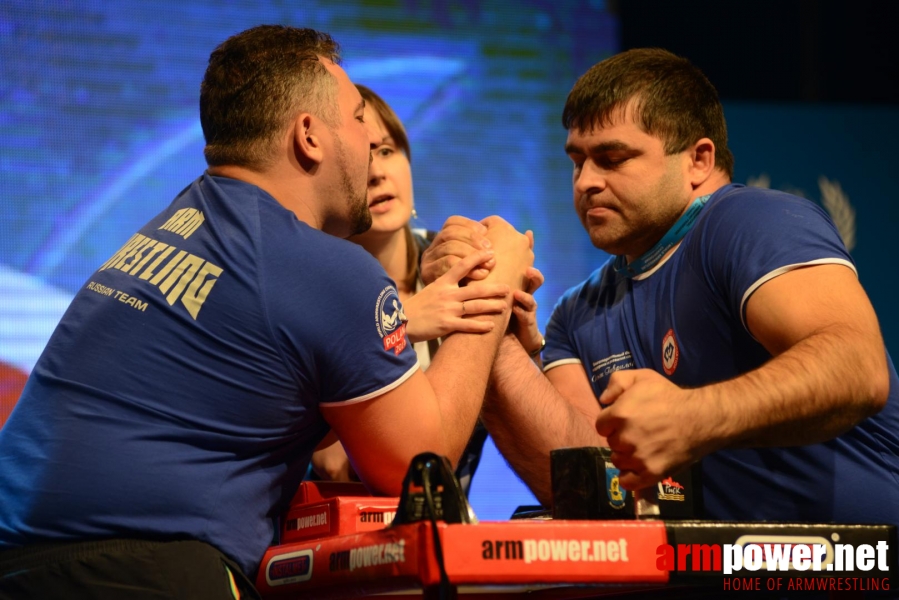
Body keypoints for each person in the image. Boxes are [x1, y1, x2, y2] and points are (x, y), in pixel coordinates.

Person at [0, 25, 534, 598]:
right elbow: (418, 465)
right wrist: (495, 279)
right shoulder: (324, 268)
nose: (368, 152)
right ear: (309, 136)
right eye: (358, 121)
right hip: (144, 573)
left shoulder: (176, 225)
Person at [422, 48, 899, 527]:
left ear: (698, 160)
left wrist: (692, 417)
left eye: (612, 158)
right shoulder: (576, 313)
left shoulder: (750, 222)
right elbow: (591, 487)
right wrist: (489, 313)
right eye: (577, 162)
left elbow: (858, 367)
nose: (586, 181)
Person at [311, 85, 542, 494]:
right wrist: (399, 324)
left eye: (387, 150)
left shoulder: (463, 262)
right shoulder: (313, 283)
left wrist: (518, 351)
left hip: (451, 533)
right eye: (362, 155)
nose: (378, 171)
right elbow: (335, 465)